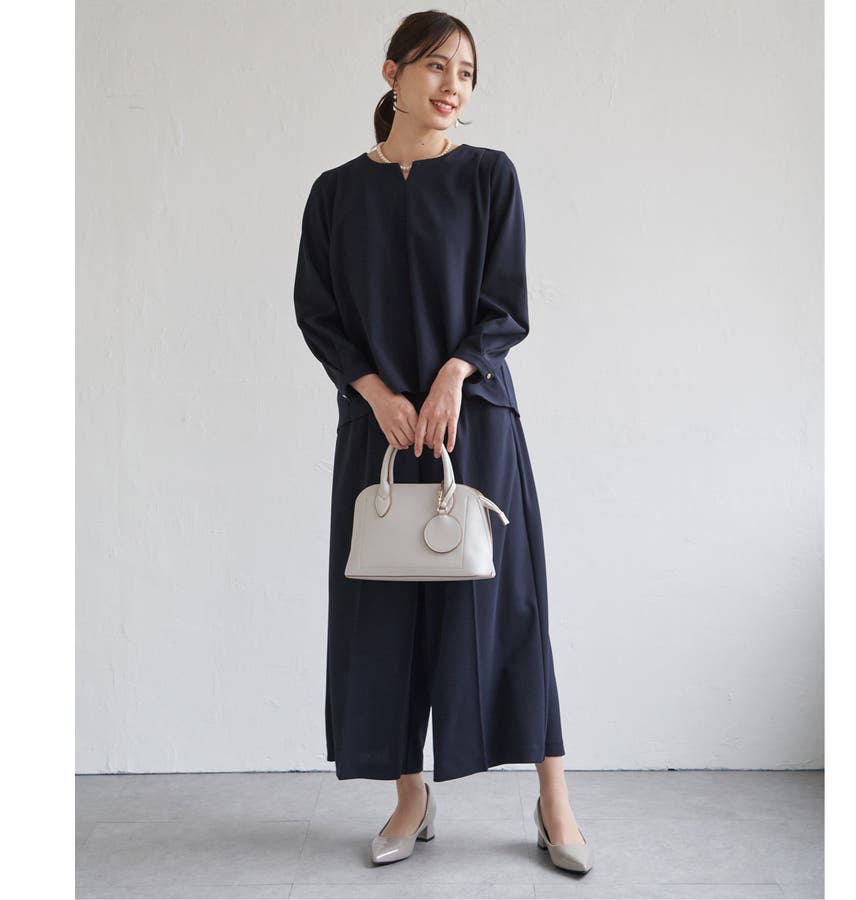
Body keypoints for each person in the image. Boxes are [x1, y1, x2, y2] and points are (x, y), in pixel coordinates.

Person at [292, 10, 593, 874]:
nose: (453, 85)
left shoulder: (490, 177)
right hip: (380, 434)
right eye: (435, 66)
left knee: (509, 609)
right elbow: (318, 312)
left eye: (466, 72)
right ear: (392, 73)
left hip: (476, 424)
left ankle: (555, 800)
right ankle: (409, 796)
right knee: (385, 611)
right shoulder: (335, 193)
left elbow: (506, 304)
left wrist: (456, 373)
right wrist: (377, 393)